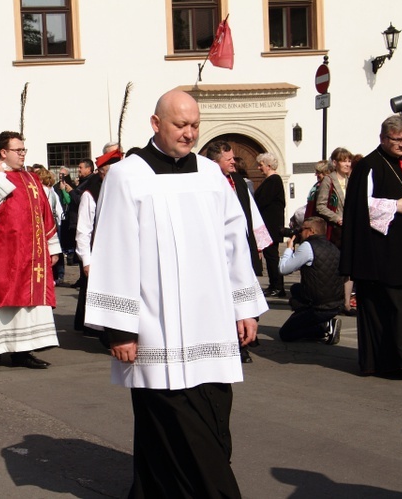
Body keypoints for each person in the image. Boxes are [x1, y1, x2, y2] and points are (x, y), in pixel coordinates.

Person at [85, 89, 268, 498]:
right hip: (156, 327)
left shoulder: (210, 174)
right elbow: (114, 249)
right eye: (180, 125)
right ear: (156, 124)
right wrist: (119, 327)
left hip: (212, 325)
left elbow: (233, 244)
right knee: (173, 426)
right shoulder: (127, 175)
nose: (189, 133)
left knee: (212, 421)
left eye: (195, 125)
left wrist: (245, 307)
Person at [340, 115, 402, 381]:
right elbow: (358, 207)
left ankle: (400, 360)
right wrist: (395, 206)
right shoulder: (368, 166)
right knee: (398, 308)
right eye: (397, 140)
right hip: (384, 250)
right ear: (383, 138)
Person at [0, 131, 61, 369]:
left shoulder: (32, 179)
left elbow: (45, 214)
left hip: (31, 254)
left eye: (24, 150)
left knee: (27, 302)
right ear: (3, 152)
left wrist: (52, 247)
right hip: (0, 254)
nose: (22, 154)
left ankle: (23, 351)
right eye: (18, 150)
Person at [205, 141, 272, 364]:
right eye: (228, 158)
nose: (234, 161)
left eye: (233, 157)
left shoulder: (239, 183)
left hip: (243, 246)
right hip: (218, 252)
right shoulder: (206, 183)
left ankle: (245, 341)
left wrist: (259, 244)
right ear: (215, 163)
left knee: (246, 295)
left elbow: (251, 212)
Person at [74, 148, 121, 338]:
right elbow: (83, 229)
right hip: (101, 253)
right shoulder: (90, 194)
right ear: (103, 172)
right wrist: (86, 259)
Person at [278, 217, 343, 344]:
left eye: (302, 229)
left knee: (286, 334)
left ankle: (324, 328)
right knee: (295, 289)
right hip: (335, 302)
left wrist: (289, 250)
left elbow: (283, 269)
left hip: (319, 306)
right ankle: (317, 322)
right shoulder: (332, 246)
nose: (299, 232)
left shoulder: (308, 246)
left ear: (311, 231)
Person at [316, 147, 356, 315]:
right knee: (338, 267)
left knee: (350, 267)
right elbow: (320, 206)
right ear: (335, 162)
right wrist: (337, 218)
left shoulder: (351, 180)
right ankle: (335, 300)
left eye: (349, 161)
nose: (347, 164)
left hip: (351, 228)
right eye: (344, 161)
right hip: (337, 230)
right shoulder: (329, 180)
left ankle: (347, 303)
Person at [254, 152, 286, 297]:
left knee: (272, 256)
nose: (259, 168)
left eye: (261, 165)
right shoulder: (270, 180)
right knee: (270, 256)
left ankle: (278, 286)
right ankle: (274, 284)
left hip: (271, 225)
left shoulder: (274, 180)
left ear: (268, 165)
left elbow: (263, 201)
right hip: (268, 225)